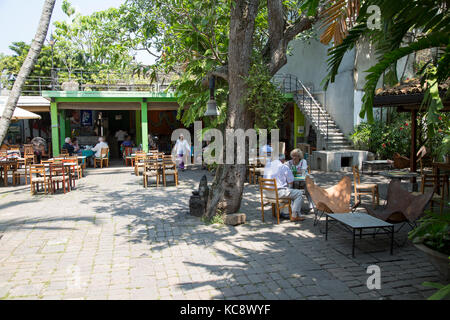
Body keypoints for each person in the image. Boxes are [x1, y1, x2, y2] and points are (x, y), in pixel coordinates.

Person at [263, 154, 305, 222]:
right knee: (299, 193)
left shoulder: (268, 165)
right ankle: (294, 215)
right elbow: (291, 181)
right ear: (282, 160)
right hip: (277, 193)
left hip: (267, 193)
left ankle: (284, 212)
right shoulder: (283, 166)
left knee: (285, 190)